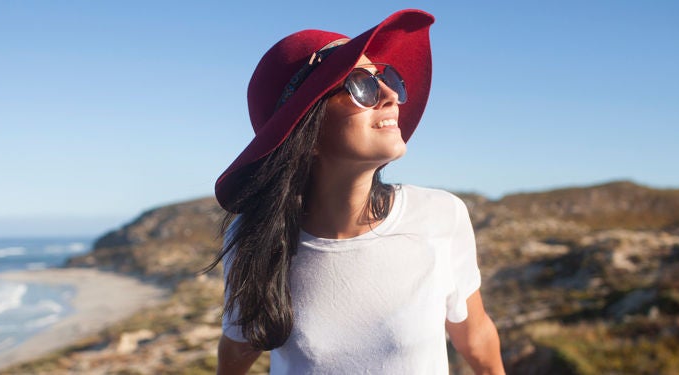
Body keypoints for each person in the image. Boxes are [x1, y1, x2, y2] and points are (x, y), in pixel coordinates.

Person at [210, 9, 504, 374]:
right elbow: (236, 353)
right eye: (360, 85)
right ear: (308, 133)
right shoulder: (256, 238)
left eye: (387, 79)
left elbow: (475, 337)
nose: (389, 95)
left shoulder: (440, 216)